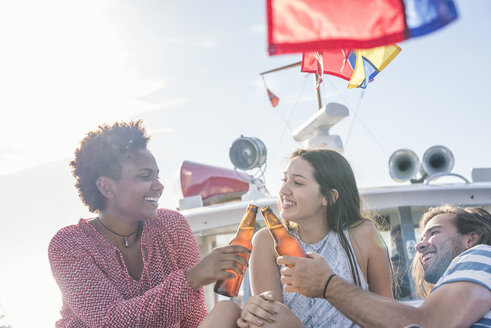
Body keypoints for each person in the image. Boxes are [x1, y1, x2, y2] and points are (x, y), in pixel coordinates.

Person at [48, 120, 248, 328]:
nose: (159, 186)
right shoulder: (69, 245)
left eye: (157, 176)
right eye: (145, 176)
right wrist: (192, 278)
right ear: (107, 187)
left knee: (227, 313)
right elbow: (111, 322)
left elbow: (193, 320)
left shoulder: (173, 226)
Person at [237, 148, 393, 327]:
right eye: (284, 179)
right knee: (234, 310)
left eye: (297, 183)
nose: (283, 190)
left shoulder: (363, 233)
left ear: (328, 197)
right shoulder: (266, 241)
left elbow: (388, 313)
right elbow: (269, 318)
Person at [278, 204, 491, 328]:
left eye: (434, 232)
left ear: (471, 239)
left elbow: (426, 324)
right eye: (421, 236)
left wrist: (327, 285)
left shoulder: (482, 254)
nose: (419, 244)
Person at [390, 225, 412, 299]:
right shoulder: (392, 262)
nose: (399, 244)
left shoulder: (419, 258)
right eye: (396, 241)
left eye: (401, 240)